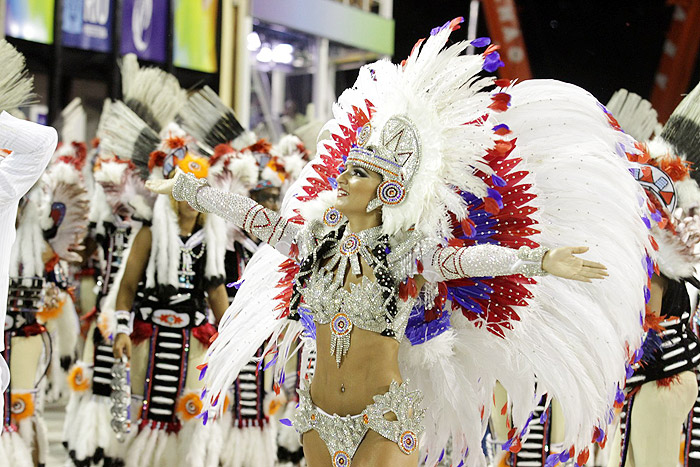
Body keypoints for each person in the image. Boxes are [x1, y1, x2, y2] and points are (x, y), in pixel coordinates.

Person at [150, 19, 654, 467]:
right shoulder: (315, 244)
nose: (342, 180)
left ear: (388, 192)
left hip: (385, 420)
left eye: (358, 174)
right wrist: (189, 188)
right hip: (316, 417)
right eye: (345, 170)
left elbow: (469, 260)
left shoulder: (406, 253)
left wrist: (541, 259)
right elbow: (256, 218)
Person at [604, 86, 700, 466]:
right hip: (659, 378)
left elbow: (650, 316)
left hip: (662, 377)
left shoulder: (659, 236)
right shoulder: (665, 230)